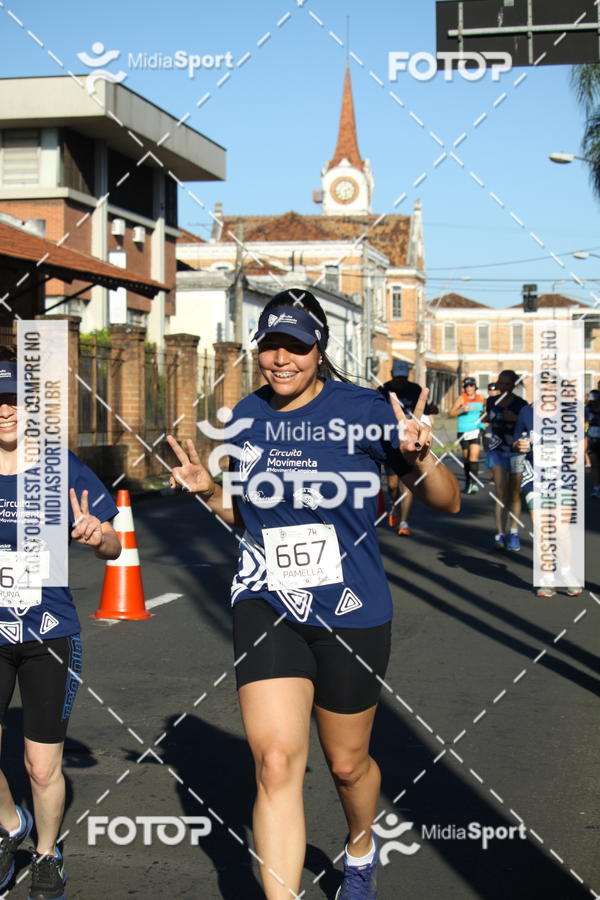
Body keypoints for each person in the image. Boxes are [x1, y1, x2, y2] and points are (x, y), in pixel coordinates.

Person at [167, 289, 460, 900]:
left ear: (318, 349)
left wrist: (421, 455)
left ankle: (359, 846)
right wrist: (205, 492)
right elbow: (247, 518)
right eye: (270, 345)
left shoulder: (366, 410)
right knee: (275, 763)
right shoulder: (246, 415)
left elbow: (446, 502)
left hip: (352, 608)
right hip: (268, 599)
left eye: (295, 346)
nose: (280, 359)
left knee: (348, 764)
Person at [0, 346, 120, 899]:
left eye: (12, 399)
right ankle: (10, 825)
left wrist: (98, 537)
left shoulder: (60, 467)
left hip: (48, 632)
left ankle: (47, 854)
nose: (3, 410)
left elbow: (113, 546)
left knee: (41, 766)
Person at [513, 398, 583, 597]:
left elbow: (580, 440)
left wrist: (576, 457)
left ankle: (567, 572)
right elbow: (516, 440)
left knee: (561, 530)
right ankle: (547, 577)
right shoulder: (526, 412)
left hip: (562, 477)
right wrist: (519, 445)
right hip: (535, 478)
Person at [378, 360, 439, 536]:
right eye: (398, 378)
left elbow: (426, 407)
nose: (401, 381)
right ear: (391, 375)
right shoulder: (383, 390)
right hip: (390, 441)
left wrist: (431, 409)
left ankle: (403, 521)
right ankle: (395, 504)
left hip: (410, 443)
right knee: (392, 484)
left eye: (403, 378)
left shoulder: (415, 390)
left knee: (407, 482)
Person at [485, 370, 528, 551]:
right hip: (497, 450)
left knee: (514, 494)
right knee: (501, 492)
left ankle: (514, 532)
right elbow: (490, 421)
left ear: (514, 385)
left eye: (507, 384)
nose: (503, 387)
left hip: (515, 450)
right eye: (500, 383)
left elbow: (528, 425)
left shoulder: (522, 405)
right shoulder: (491, 402)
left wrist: (516, 419)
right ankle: (500, 533)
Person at [448, 377, 485, 493]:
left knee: (474, 457)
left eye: (471, 386)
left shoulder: (481, 398)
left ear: (475, 387)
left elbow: (485, 412)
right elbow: (450, 414)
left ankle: (474, 483)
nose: (469, 388)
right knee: (466, 458)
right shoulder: (461, 398)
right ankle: (468, 481)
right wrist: (462, 410)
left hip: (476, 430)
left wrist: (484, 421)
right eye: (466, 386)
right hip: (463, 431)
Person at [585, 389, 600, 498]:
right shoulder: (587, 410)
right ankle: (595, 488)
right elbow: (583, 423)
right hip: (592, 439)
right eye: (592, 401)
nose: (594, 403)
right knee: (595, 465)